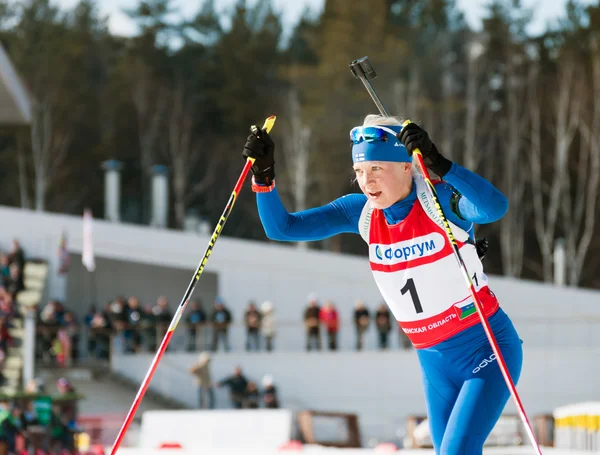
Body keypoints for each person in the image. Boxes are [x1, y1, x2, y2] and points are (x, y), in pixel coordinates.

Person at [242, 114, 523, 454]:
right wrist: (264, 175)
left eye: (376, 169)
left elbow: (494, 207)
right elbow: (282, 228)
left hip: (486, 347)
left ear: (406, 166)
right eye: (360, 172)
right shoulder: (360, 212)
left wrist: (439, 163)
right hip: (434, 362)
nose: (366, 182)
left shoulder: (440, 203)